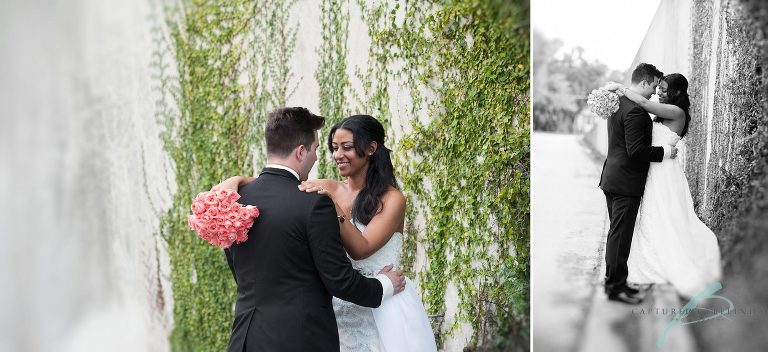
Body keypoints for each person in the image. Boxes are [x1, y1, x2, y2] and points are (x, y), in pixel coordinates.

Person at [223, 114, 437, 351]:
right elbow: (278, 187)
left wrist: (333, 207)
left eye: (347, 147)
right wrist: (237, 179)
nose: (338, 155)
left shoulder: (392, 199)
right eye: (334, 148)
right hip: (338, 309)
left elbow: (361, 249)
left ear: (371, 148)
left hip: (384, 302)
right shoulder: (326, 188)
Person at [604, 73, 722, 298]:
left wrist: (620, 87)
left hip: (664, 172)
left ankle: (673, 264)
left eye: (665, 89)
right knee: (651, 219)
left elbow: (643, 102)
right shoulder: (662, 109)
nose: (659, 92)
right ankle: (648, 267)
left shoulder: (677, 112)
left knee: (667, 218)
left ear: (677, 92)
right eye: (659, 88)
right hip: (652, 170)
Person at [598, 63, 677, 304]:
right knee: (620, 238)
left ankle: (616, 282)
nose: (654, 91)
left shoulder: (617, 103)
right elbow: (636, 151)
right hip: (625, 182)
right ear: (643, 82)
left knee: (617, 236)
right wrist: (665, 152)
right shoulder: (635, 111)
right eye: (654, 85)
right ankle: (615, 288)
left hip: (613, 178)